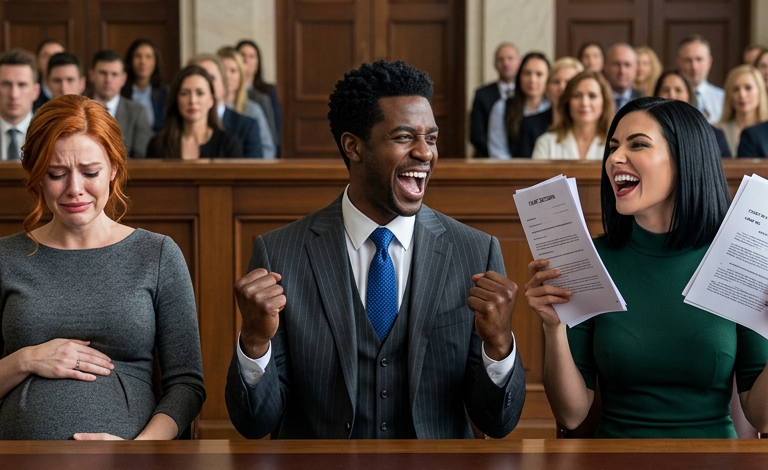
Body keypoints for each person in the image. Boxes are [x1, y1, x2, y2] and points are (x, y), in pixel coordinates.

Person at [225, 60, 525, 439]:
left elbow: (498, 424)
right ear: (354, 146)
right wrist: (254, 342)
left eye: (430, 138)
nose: (425, 153)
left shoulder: (475, 252)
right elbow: (255, 424)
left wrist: (498, 347)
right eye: (404, 137)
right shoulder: (280, 253)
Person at [525, 96, 768, 438]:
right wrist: (554, 329)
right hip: (616, 459)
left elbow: (763, 417)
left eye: (637, 144)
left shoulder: (737, 260)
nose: (614, 158)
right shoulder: (591, 258)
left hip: (714, 461)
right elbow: (571, 414)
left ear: (685, 159)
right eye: (612, 147)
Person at [0, 94, 205, 439]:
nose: (74, 190)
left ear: (113, 168)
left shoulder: (156, 254)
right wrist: (27, 359)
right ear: (35, 175)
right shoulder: (6, 257)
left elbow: (187, 386)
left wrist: (140, 450)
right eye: (56, 174)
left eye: (90, 172)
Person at [147, 65, 242, 159]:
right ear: (176, 99)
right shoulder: (158, 144)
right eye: (185, 93)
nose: (192, 100)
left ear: (211, 100)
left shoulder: (228, 144)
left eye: (200, 93)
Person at [189, 53, 263, 158]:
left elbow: (254, 171)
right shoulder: (173, 131)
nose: (205, 84)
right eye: (200, 78)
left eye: (211, 78)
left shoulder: (246, 127)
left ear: (224, 83)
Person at [532, 71, 613, 160]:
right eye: (577, 96)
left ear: (604, 102)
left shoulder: (615, 145)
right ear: (567, 101)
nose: (584, 103)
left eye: (592, 96)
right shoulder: (546, 143)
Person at [89, 50, 152, 158]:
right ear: (91, 75)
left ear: (123, 79)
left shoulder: (137, 112)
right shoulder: (79, 108)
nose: (108, 80)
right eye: (103, 73)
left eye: (114, 74)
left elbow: (140, 156)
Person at [654, 70, 731, 157]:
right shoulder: (649, 131)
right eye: (665, 90)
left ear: (689, 96)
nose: (672, 95)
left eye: (678, 90)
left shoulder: (712, 134)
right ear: (657, 95)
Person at [487, 52, 550, 158]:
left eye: (539, 74)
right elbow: (498, 151)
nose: (532, 80)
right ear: (519, 76)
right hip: (511, 171)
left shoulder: (554, 108)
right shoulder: (502, 107)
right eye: (527, 73)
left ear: (548, 78)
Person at [217, 47, 276, 158]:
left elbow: (268, 148)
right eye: (222, 71)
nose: (227, 76)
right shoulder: (207, 108)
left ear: (241, 76)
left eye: (233, 71)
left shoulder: (252, 110)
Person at [470, 43, 521, 157]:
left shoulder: (526, 93)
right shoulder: (482, 94)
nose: (506, 63)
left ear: (519, 61)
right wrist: (498, 154)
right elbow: (477, 135)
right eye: (501, 59)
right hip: (488, 158)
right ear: (494, 64)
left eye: (510, 58)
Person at [236, 39, 280, 152]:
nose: (246, 60)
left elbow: (274, 130)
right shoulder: (228, 91)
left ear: (257, 63)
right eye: (243, 55)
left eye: (251, 56)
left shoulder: (267, 92)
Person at [716, 65, 768, 157]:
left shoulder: (765, 130)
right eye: (736, 89)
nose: (742, 95)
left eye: (748, 88)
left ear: (760, 91)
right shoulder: (717, 131)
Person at [120, 38, 169, 133]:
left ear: (155, 61)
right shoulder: (121, 92)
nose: (143, 62)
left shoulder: (164, 93)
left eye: (148, 57)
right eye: (138, 56)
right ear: (130, 60)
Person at [0, 49, 40, 161]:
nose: (14, 95)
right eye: (6, 84)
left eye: (22, 85)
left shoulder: (48, 133)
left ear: (36, 91)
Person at [677, 35, 724, 124]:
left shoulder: (722, 99)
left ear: (709, 62)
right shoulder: (670, 97)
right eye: (688, 60)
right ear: (679, 62)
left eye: (699, 59)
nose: (694, 67)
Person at [603, 43, 642, 113]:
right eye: (617, 64)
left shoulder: (644, 101)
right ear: (605, 67)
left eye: (627, 65)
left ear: (636, 69)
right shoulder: (596, 100)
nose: (622, 71)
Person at [545, 57, 583, 124]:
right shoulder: (530, 124)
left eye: (568, 82)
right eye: (556, 82)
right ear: (547, 88)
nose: (562, 88)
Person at [33, 38, 65, 111]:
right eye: (46, 56)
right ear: (37, 60)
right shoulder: (30, 92)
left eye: (57, 56)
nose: (51, 60)